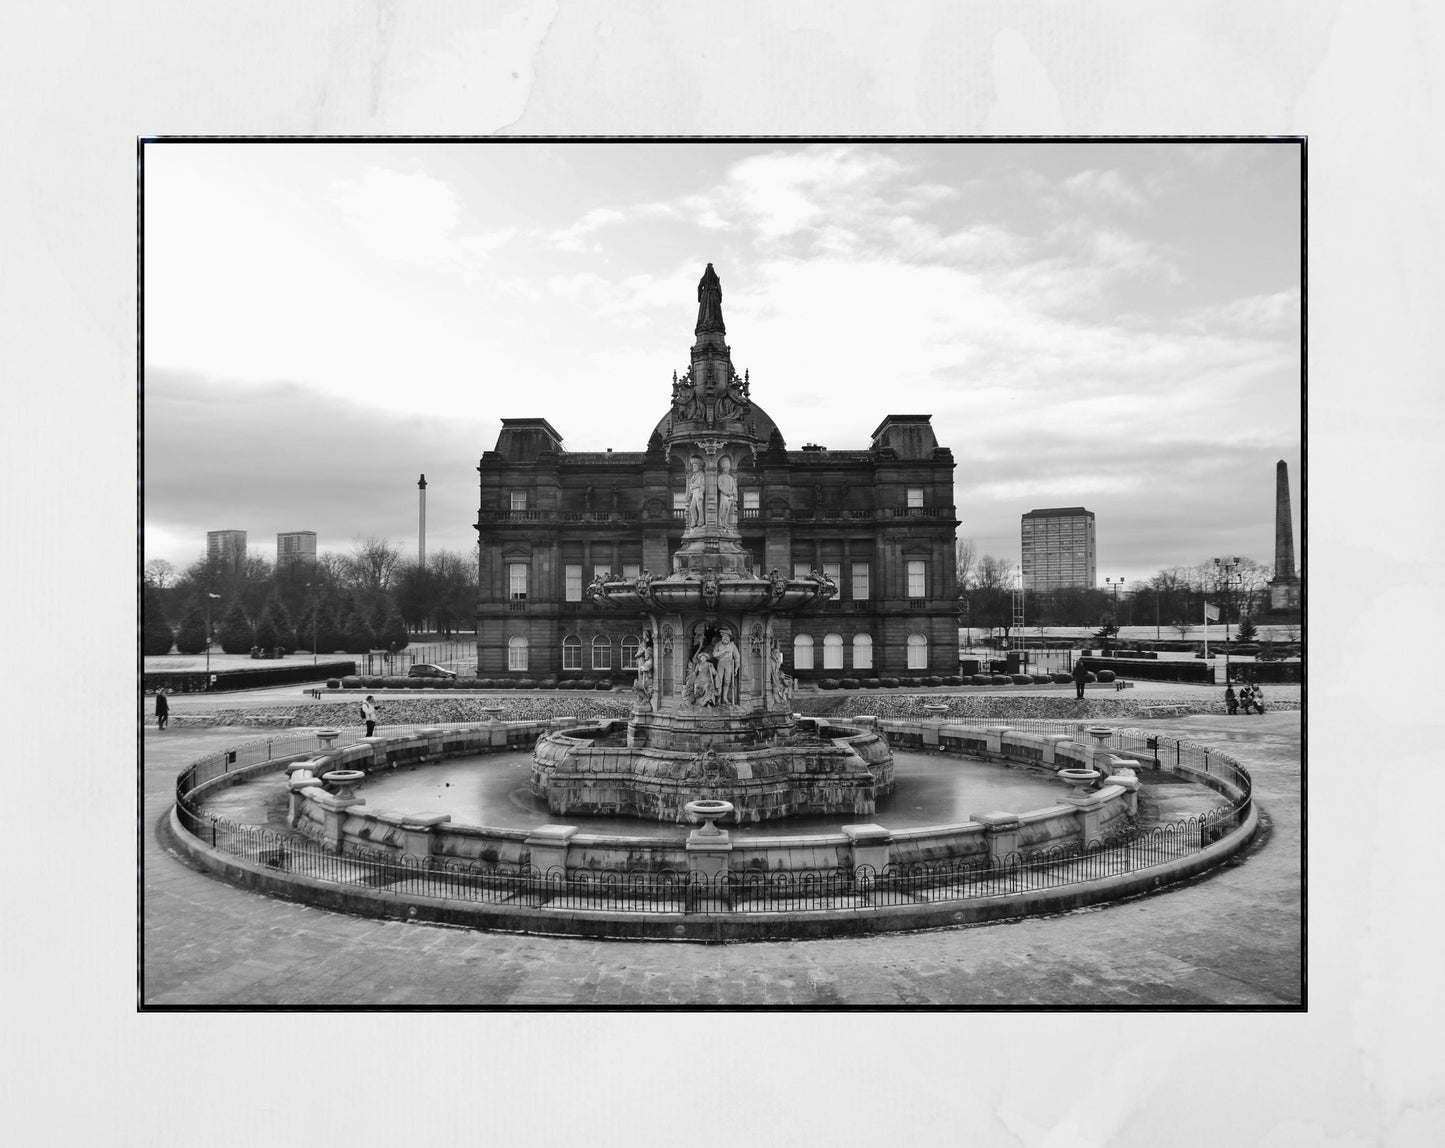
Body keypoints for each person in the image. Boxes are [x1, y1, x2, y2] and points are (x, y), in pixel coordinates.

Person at [713, 628, 740, 705]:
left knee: (727, 682)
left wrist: (736, 667)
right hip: (720, 663)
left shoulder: (732, 645)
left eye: (727, 636)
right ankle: (718, 698)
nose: (725, 638)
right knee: (719, 680)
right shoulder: (718, 644)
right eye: (724, 636)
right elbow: (714, 654)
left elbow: (737, 657)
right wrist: (723, 651)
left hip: (729, 663)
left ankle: (724, 698)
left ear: (729, 637)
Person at [716, 456, 737, 529]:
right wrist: (727, 493)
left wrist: (733, 493)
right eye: (725, 468)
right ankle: (721, 523)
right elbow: (720, 486)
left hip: (730, 496)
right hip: (724, 495)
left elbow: (734, 487)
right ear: (723, 469)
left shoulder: (731, 477)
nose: (727, 469)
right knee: (723, 509)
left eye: (728, 468)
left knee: (728, 510)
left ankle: (726, 522)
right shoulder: (720, 477)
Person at [686, 457, 706, 528]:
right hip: (694, 492)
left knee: (699, 507)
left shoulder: (701, 474)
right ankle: (694, 520)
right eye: (693, 466)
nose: (693, 467)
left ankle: (701, 521)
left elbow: (703, 484)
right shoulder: (693, 475)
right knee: (692, 507)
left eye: (695, 466)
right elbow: (691, 485)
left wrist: (701, 492)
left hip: (698, 491)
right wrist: (690, 493)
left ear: (699, 466)